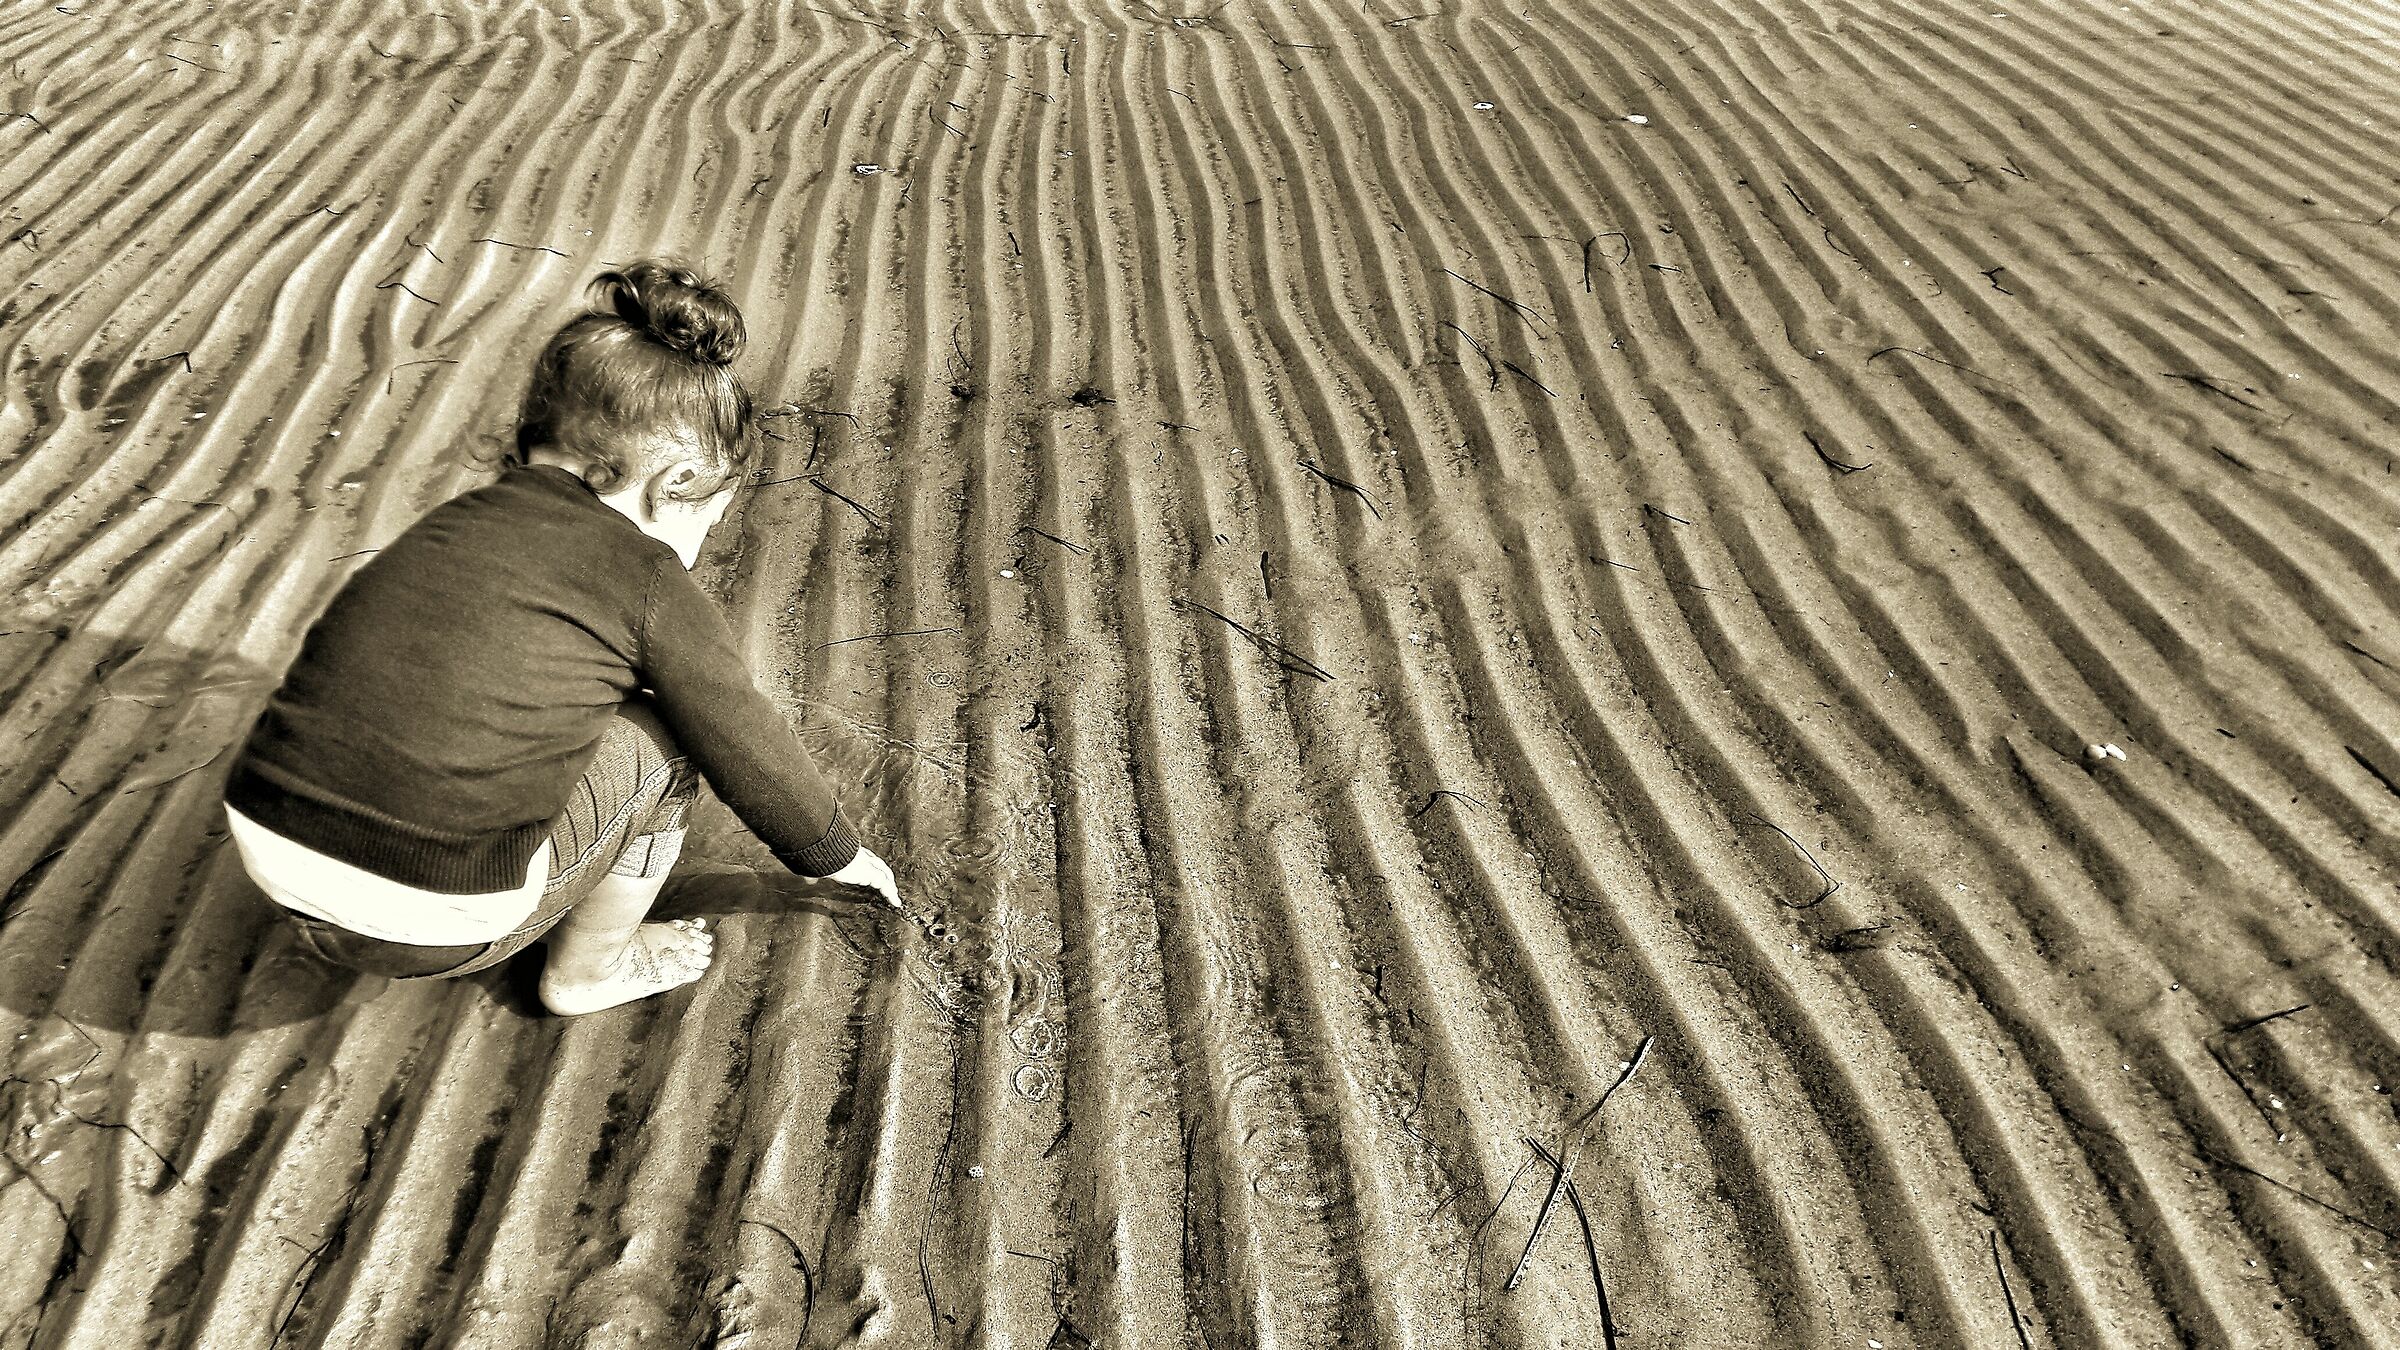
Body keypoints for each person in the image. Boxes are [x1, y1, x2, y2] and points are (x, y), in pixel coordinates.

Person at [219, 257, 900, 1015]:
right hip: (429, 926)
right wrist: (836, 855)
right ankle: (588, 970)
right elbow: (742, 735)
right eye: (710, 514)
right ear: (672, 484)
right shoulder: (642, 573)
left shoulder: (449, 527)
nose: (704, 537)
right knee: (671, 737)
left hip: (269, 858)